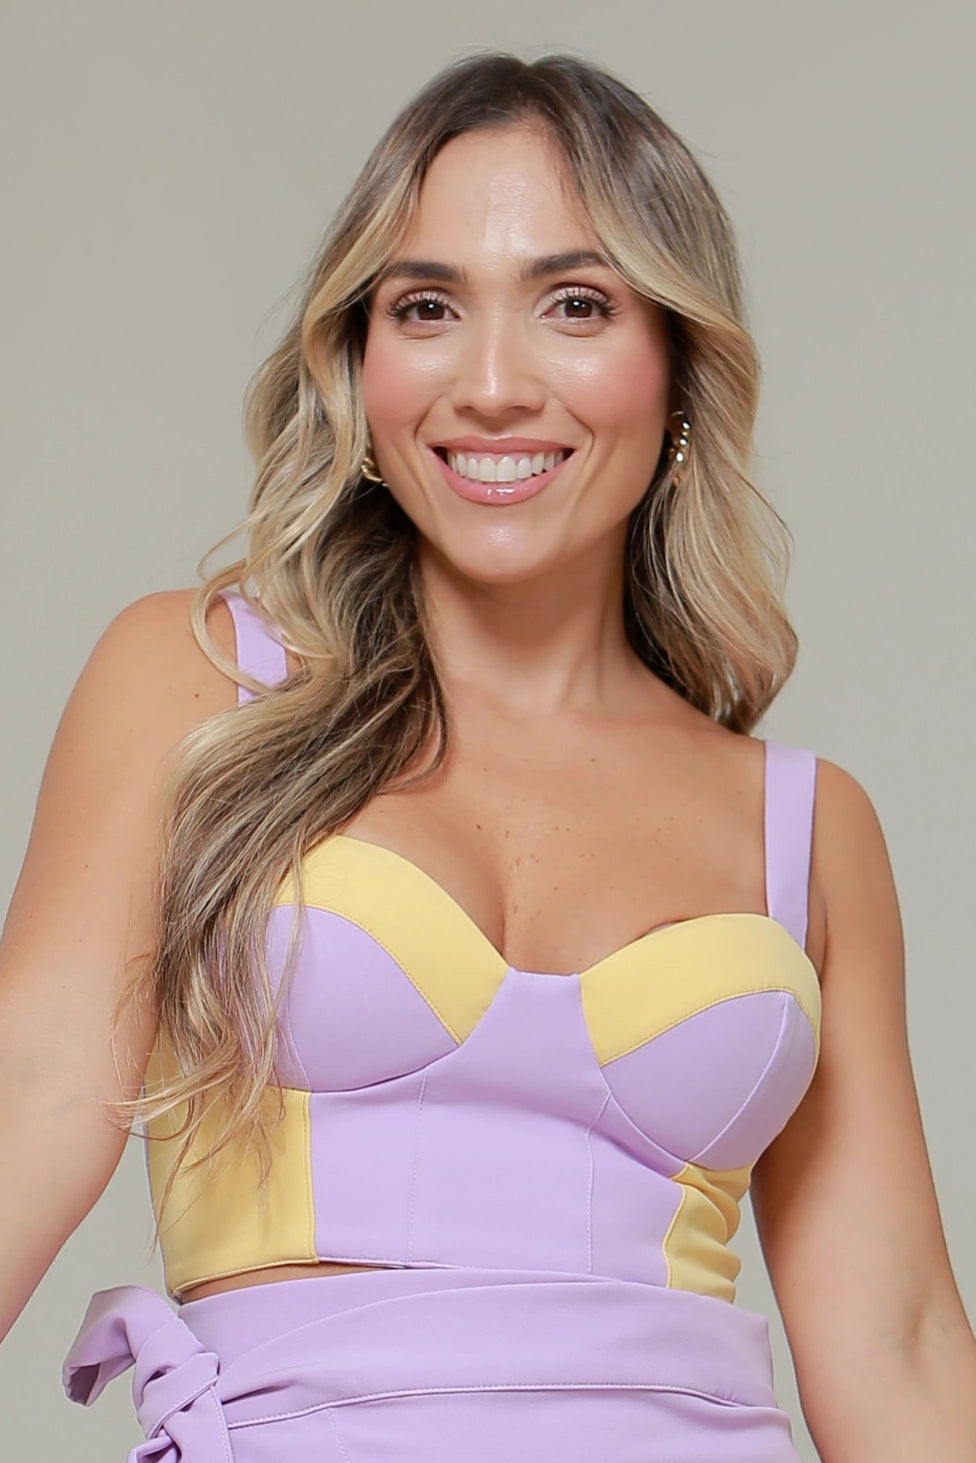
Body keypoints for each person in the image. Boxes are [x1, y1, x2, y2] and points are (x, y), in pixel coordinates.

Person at [2, 48, 974, 1463]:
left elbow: (900, 1343)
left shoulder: (808, 832)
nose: (495, 384)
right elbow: (32, 1095)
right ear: (360, 363)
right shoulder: (201, 682)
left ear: (676, 367)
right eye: (428, 308)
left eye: (575, 304)